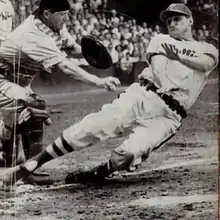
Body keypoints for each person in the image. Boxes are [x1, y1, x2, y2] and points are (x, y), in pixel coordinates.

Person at [3, 3, 218, 186]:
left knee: (129, 153)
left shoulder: (207, 48)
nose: (171, 23)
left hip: (170, 115)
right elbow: (159, 69)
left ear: (190, 21)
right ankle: (32, 164)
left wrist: (181, 58)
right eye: (168, 20)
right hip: (143, 95)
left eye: (177, 19)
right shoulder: (160, 40)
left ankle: (100, 172)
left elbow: (205, 63)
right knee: (93, 127)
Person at [0, 0, 120, 172]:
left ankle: (7, 153)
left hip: (16, 82)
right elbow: (64, 66)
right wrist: (98, 81)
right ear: (47, 14)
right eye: (62, 15)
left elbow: (72, 48)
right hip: (3, 79)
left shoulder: (54, 26)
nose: (66, 19)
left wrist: (91, 51)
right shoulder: (32, 33)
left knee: (21, 114)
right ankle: (33, 169)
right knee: (34, 107)